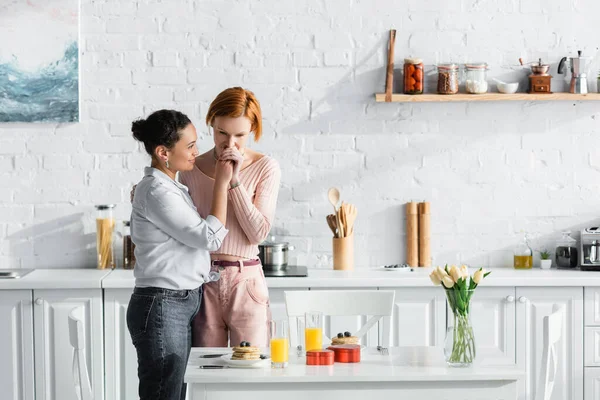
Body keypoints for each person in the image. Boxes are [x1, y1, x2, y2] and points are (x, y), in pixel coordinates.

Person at [127, 109, 231, 400]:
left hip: (176, 302)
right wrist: (222, 183)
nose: (196, 152)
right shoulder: (158, 192)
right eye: (190, 146)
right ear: (163, 152)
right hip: (163, 305)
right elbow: (207, 237)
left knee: (172, 391)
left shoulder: (168, 187)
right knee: (165, 394)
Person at [180, 87, 281, 348]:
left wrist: (233, 182)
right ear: (211, 123)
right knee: (206, 371)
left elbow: (258, 233)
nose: (230, 143)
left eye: (240, 135)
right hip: (204, 281)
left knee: (250, 373)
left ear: (253, 131)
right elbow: (188, 231)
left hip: (246, 280)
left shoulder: (265, 167)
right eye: (221, 133)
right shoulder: (191, 169)